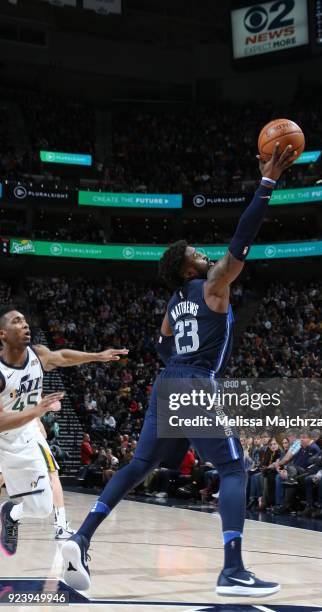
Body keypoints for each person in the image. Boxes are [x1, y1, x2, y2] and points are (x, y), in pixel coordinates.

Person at [61, 142, 296, 597]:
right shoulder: (212, 284)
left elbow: (161, 340)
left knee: (139, 464)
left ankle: (81, 536)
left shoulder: (173, 302)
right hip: (194, 381)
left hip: (167, 382)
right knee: (233, 469)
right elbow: (241, 242)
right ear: (187, 264)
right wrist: (267, 183)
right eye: (196, 251)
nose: (204, 254)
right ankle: (232, 570)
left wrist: (177, 373)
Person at [0, 308, 128, 556]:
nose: (25, 325)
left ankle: (10, 512)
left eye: (26, 320)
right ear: (3, 334)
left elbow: (63, 357)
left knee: (41, 508)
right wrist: (36, 412)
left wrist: (97, 356)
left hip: (25, 435)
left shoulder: (37, 354)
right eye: (17, 322)